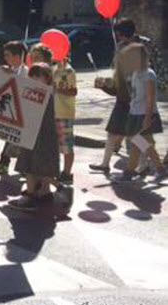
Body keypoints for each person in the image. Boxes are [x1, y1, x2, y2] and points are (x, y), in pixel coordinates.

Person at [7, 63, 60, 211]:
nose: (34, 79)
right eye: (32, 76)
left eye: (38, 76)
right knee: (37, 163)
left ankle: (31, 195)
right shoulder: (45, 92)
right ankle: (44, 192)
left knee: (31, 164)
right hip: (39, 134)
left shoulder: (42, 93)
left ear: (47, 78)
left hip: (40, 134)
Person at [89, 20, 138, 175]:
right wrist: (105, 84)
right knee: (113, 133)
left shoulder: (140, 49)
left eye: (119, 34)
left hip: (135, 100)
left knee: (136, 136)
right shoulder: (123, 47)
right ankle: (105, 164)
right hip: (123, 99)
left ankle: (145, 164)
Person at [120, 43, 164, 179]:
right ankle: (159, 169)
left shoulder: (148, 74)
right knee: (141, 143)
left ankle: (130, 171)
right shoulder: (135, 73)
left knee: (141, 143)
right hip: (135, 113)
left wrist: (147, 117)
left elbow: (150, 98)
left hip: (144, 114)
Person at [0, 40, 28, 174]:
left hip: (23, 113)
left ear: (17, 56)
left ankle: (19, 166)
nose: (5, 58)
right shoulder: (10, 70)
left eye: (7, 55)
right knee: (9, 137)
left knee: (18, 140)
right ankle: (4, 163)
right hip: (12, 111)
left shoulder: (26, 72)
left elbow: (23, 88)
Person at [54, 54, 78, 185]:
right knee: (55, 145)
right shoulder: (54, 69)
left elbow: (74, 91)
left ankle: (67, 173)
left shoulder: (69, 71)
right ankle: (57, 171)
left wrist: (58, 89)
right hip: (53, 111)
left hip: (65, 112)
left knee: (66, 144)